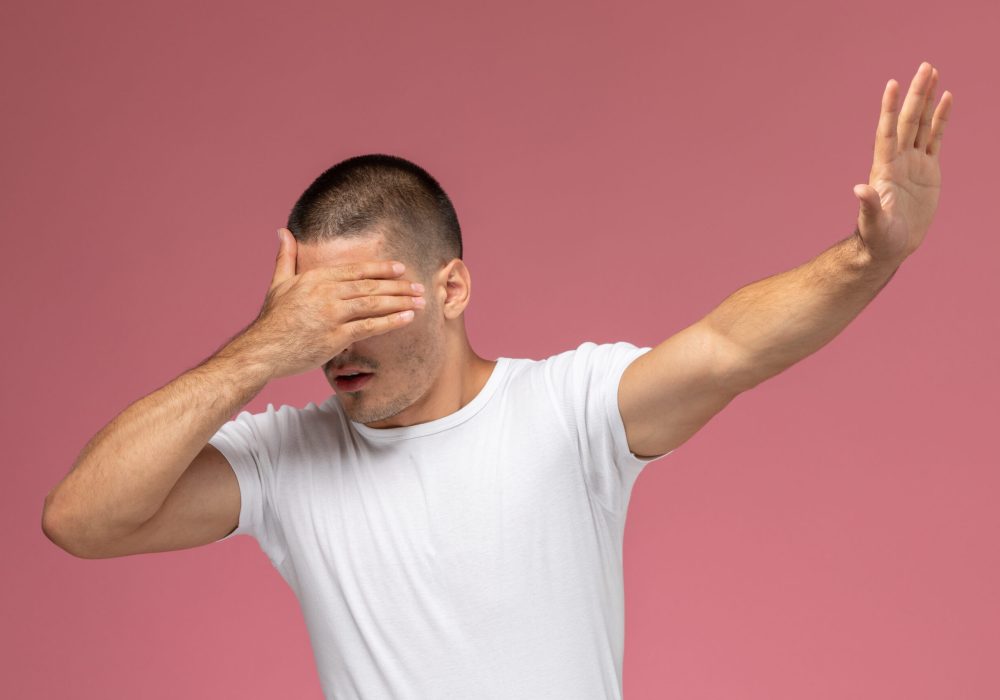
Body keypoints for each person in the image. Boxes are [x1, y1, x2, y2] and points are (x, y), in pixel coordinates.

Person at [41, 61, 952, 700]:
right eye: (315, 315)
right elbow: (81, 521)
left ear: (454, 288)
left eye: (364, 305)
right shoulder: (286, 459)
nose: (334, 342)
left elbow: (727, 348)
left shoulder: (567, 411)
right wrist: (259, 348)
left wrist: (869, 259)